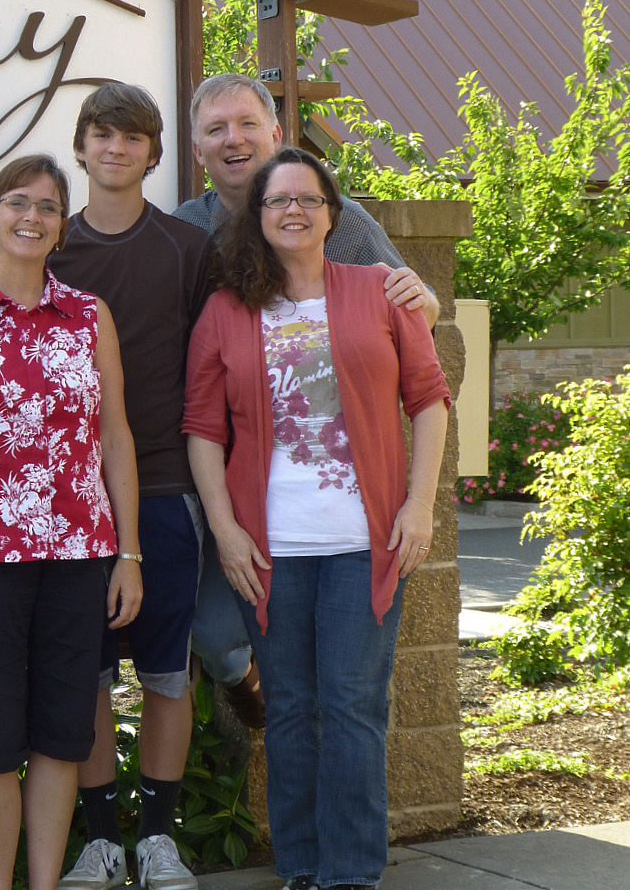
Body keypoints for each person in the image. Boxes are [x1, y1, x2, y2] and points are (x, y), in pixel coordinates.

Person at [183, 147, 450, 890]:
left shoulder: (380, 290)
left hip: (364, 541)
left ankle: (353, 869)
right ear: (258, 218)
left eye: (308, 198)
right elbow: (202, 428)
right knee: (292, 709)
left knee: (354, 705)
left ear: (333, 214)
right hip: (268, 548)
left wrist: (419, 506)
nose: (292, 210)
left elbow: (428, 400)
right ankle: (299, 863)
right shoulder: (227, 309)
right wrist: (225, 529)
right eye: (277, 201)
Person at [172, 74, 440, 730]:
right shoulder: (183, 232)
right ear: (197, 146)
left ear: (275, 134)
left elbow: (414, 309)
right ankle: (245, 679)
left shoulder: (342, 226)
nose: (232, 140)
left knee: (344, 696)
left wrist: (425, 303)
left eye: (245, 124)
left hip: (326, 494)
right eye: (215, 129)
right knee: (208, 623)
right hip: (214, 470)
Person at [0, 154, 143, 890]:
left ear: (59, 225)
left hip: (78, 555)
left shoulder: (88, 315)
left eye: (46, 206)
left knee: (60, 736)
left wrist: (128, 553)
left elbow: (115, 437)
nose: (30, 217)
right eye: (16, 202)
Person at [49, 83, 214, 890]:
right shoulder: (48, 246)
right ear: (79, 147)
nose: (114, 148)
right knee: (83, 674)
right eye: (99, 134)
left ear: (153, 152)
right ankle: (100, 841)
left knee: (164, 674)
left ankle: (157, 839)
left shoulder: (187, 248)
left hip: (162, 485)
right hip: (61, 501)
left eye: (131, 136)